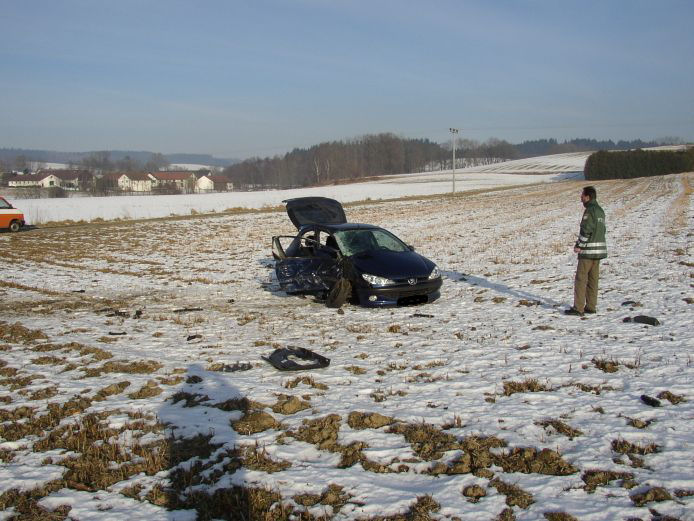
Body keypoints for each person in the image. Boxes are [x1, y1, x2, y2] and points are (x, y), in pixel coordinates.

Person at [565, 186, 607, 316]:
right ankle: (591, 307)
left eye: (582, 195)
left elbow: (586, 230)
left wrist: (579, 245)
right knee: (593, 280)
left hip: (588, 252)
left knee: (581, 279)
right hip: (598, 252)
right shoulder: (600, 211)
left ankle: (578, 308)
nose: (581, 198)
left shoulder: (590, 211)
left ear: (588, 197)